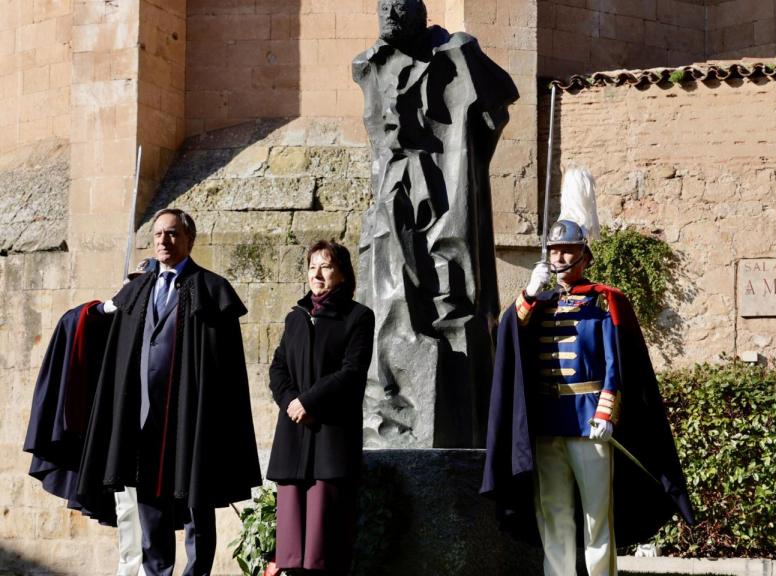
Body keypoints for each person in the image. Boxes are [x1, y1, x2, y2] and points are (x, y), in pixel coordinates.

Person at [482, 169, 695, 576]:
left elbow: (618, 363)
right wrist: (528, 291)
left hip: (588, 421)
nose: (560, 258)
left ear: (584, 255)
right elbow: (509, 334)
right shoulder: (536, 303)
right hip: (547, 423)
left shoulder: (605, 301)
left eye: (567, 250)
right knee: (554, 513)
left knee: (597, 518)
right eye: (554, 250)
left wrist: (606, 413)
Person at [352, 0, 518, 448]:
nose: (388, 14)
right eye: (383, 7)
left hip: (443, 182)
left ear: (418, 13)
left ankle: (441, 407)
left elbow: (500, 100)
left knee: (451, 288)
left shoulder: (457, 50)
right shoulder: (370, 64)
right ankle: (392, 407)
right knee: (389, 289)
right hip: (391, 186)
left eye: (397, 7)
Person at [78, 208, 261, 576]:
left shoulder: (213, 289)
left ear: (189, 240)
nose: (164, 240)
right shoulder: (138, 289)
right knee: (149, 501)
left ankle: (197, 573)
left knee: (197, 502)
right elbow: (113, 335)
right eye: (159, 234)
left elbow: (226, 369)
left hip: (192, 417)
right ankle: (158, 571)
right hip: (144, 415)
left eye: (173, 233)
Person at [267, 241, 374, 575]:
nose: (317, 273)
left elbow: (352, 372)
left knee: (323, 551)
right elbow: (278, 370)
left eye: (325, 266)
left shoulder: (358, 317)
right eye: (312, 266)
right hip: (293, 442)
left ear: (342, 273)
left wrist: (309, 401)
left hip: (330, 442)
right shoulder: (295, 318)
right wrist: (291, 403)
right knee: (290, 553)